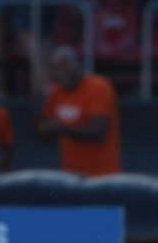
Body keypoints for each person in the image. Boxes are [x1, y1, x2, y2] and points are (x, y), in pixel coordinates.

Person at [37, 46, 121, 176]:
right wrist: (38, 106)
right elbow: (45, 137)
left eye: (66, 64)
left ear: (78, 63)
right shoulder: (55, 91)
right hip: (70, 175)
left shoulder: (98, 86)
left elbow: (98, 131)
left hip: (102, 175)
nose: (62, 71)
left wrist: (62, 129)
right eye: (57, 68)